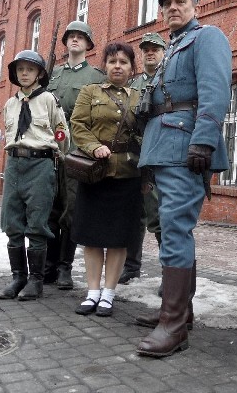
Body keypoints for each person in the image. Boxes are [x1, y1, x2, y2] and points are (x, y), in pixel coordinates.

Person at [135, 0, 232, 357]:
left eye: (181, 0)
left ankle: (173, 325)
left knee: (175, 229)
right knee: (171, 228)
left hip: (185, 146)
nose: (173, 7)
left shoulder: (206, 38)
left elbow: (215, 90)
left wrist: (204, 140)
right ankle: (177, 313)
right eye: (167, 2)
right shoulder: (173, 46)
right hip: (163, 147)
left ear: (196, 6)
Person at [69, 42, 142, 317]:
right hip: (95, 173)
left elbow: (145, 131)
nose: (118, 66)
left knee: (118, 239)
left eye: (123, 62)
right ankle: (92, 292)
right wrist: (92, 147)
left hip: (127, 175)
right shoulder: (90, 92)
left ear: (131, 68)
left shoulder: (139, 97)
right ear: (105, 66)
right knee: (92, 237)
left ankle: (109, 293)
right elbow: (78, 124)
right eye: (112, 62)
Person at [0, 50, 70, 301]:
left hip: (40, 165)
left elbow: (61, 134)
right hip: (14, 164)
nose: (25, 73)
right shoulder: (10, 104)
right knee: (12, 221)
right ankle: (18, 276)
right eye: (20, 69)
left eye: (30, 69)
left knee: (38, 222)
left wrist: (54, 160)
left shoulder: (49, 99)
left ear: (40, 73)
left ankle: (36, 280)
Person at [46, 21, 105, 288]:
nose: (75, 40)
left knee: (70, 208)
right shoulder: (52, 75)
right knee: (49, 206)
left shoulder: (96, 77)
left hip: (76, 150)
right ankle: (46, 265)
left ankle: (64, 267)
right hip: (50, 149)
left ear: (89, 44)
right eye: (71, 36)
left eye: (81, 37)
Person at [118, 32, 166, 286]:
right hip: (133, 158)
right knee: (133, 214)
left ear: (163, 53)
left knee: (159, 215)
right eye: (146, 49)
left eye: (155, 49)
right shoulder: (132, 86)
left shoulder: (168, 81)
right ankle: (131, 267)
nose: (150, 52)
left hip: (158, 158)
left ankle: (168, 275)